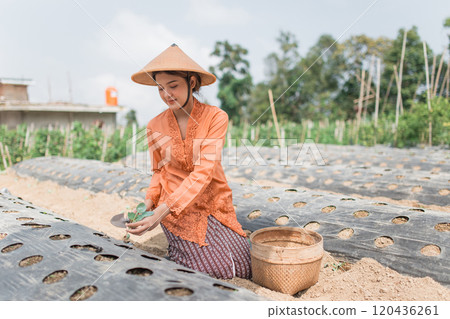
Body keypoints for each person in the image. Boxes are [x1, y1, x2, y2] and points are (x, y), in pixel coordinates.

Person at [127, 43, 251, 280]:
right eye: (160, 88)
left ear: (192, 82)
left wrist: (161, 211)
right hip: (175, 208)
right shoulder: (155, 125)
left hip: (214, 200)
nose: (167, 95)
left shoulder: (216, 117)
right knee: (214, 270)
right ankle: (177, 253)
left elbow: (204, 172)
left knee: (242, 265)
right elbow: (159, 171)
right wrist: (147, 206)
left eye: (173, 86)